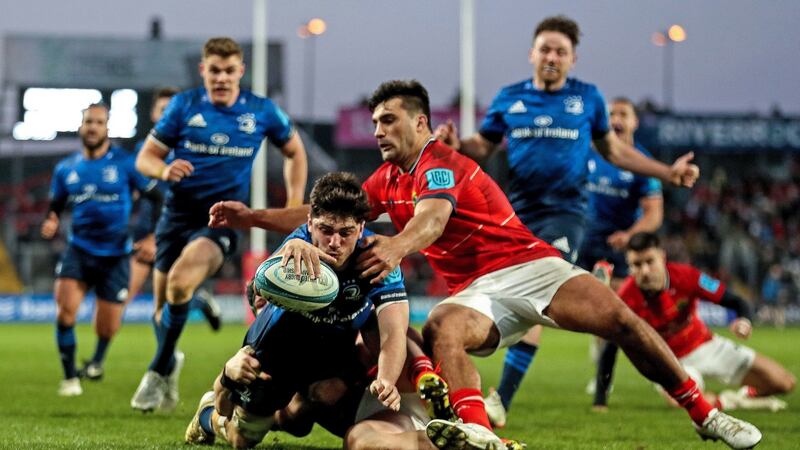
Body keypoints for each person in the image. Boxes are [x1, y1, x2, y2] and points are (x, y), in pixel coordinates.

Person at [209, 80, 762, 450]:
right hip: (477, 289)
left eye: (388, 121)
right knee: (443, 325)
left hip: (529, 264)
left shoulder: (440, 162)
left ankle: (705, 414)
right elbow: (323, 213)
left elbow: (431, 222)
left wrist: (396, 249)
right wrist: (250, 216)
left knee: (621, 321)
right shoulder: (382, 180)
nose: (377, 131)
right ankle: (480, 436)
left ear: (421, 123)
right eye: (374, 122)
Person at [435, 15, 699, 426]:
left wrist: (666, 172)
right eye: (545, 49)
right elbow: (482, 146)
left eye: (560, 51)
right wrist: (457, 146)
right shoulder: (509, 98)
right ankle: (459, 377)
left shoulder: (588, 98)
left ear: (573, 59)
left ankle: (499, 399)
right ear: (532, 54)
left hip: (565, 216)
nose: (552, 57)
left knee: (538, 293)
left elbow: (614, 152)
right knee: (496, 302)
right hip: (512, 216)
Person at [130, 36, 308, 412]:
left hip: (220, 220)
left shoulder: (261, 111)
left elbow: (295, 151)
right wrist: (164, 169)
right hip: (174, 219)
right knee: (163, 312)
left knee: (180, 284)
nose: (222, 78)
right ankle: (168, 361)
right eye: (215, 70)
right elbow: (145, 158)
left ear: (240, 71)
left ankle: (157, 368)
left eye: (229, 71)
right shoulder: (184, 106)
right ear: (203, 71)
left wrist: (293, 206)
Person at [184, 172, 413, 448]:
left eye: (346, 232)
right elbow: (255, 291)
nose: (335, 242)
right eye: (325, 230)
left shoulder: (379, 258)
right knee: (242, 439)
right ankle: (213, 403)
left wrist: (386, 379)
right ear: (309, 224)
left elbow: (394, 332)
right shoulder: (296, 247)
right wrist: (280, 258)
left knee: (304, 419)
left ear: (362, 227)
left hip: (333, 350)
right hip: (280, 348)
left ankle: (294, 404)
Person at [41, 103, 162, 396]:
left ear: (107, 128)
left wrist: (150, 237)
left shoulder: (125, 163)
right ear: (81, 127)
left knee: (107, 328)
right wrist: (52, 220)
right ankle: (70, 379)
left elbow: (156, 198)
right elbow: (55, 205)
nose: (92, 127)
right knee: (65, 314)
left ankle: (96, 361)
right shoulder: (66, 168)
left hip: (116, 256)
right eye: (88, 122)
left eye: (98, 122)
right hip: (78, 250)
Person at [609, 232, 795, 412]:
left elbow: (737, 301)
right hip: (669, 363)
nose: (645, 271)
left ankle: (745, 395)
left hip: (705, 345)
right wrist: (600, 400)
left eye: (650, 261)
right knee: (691, 402)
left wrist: (743, 321)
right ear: (629, 266)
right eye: (637, 265)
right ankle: (729, 401)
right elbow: (611, 345)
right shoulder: (626, 297)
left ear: (662, 257)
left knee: (784, 383)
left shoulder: (687, 276)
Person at [576, 97, 664, 410]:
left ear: (635, 122)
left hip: (618, 248)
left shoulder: (641, 163)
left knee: (614, 313)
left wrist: (629, 236)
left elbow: (654, 214)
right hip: (583, 241)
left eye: (623, 114)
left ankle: (605, 375)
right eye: (612, 113)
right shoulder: (587, 152)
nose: (616, 118)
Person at [128, 88, 222, 338]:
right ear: (152, 114)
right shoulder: (143, 151)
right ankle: (96, 362)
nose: (167, 116)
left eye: (171, 110)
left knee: (168, 299)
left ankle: (164, 363)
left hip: (178, 231)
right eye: (162, 110)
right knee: (125, 296)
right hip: (146, 231)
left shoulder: (194, 147)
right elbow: (140, 193)